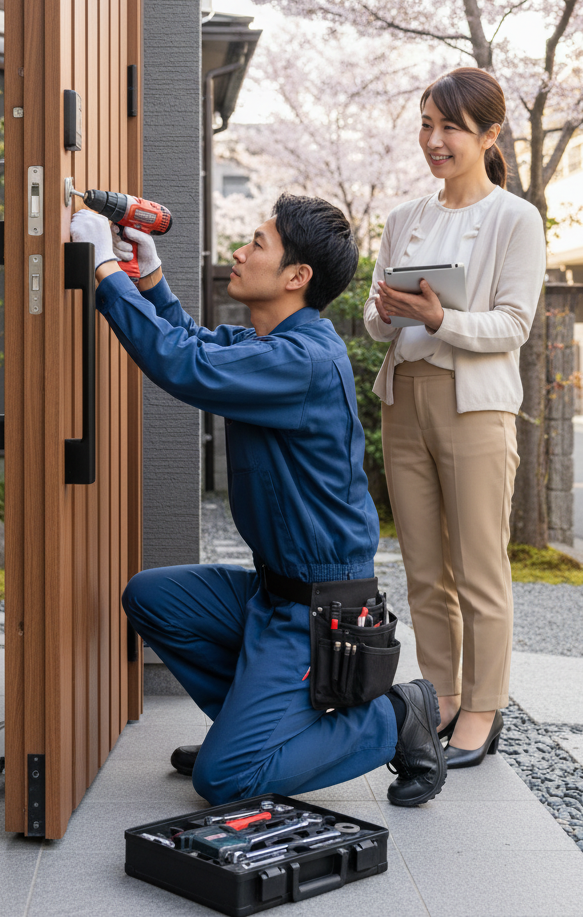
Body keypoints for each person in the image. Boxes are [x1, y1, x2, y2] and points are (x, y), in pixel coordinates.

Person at [69, 194, 447, 807]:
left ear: (297, 277)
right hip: (276, 592)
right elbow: (197, 342)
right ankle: (258, 732)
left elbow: (186, 366)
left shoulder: (304, 360)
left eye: (258, 244)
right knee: (151, 598)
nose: (239, 253)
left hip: (318, 610)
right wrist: (151, 275)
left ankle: (395, 715)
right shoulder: (274, 344)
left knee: (225, 781)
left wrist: (104, 270)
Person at [364, 67, 546, 767]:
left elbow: (513, 326)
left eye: (450, 128)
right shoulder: (404, 219)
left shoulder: (513, 218)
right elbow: (381, 328)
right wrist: (386, 314)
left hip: (474, 406)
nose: (433, 140)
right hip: (403, 397)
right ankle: (439, 693)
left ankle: (482, 707)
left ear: (490, 134)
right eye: (426, 124)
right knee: (421, 566)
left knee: (478, 567)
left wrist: (442, 317)